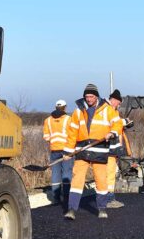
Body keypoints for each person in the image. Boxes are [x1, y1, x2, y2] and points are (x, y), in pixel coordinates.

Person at [63, 84, 122, 220]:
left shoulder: (107, 109)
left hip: (99, 151)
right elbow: (72, 132)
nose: (89, 99)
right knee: (77, 180)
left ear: (96, 96)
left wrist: (112, 133)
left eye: (91, 96)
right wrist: (67, 151)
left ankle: (102, 208)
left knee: (101, 180)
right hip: (82, 152)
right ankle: (71, 209)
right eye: (87, 96)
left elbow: (117, 123)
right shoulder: (78, 111)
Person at [43, 100, 73, 206]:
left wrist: (54, 140)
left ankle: (56, 198)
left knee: (55, 174)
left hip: (54, 150)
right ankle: (67, 197)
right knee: (67, 173)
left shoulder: (47, 120)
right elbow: (73, 135)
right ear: (65, 107)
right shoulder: (69, 119)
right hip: (67, 151)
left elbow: (46, 136)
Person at [106, 90, 132, 209]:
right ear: (115, 100)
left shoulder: (112, 110)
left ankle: (107, 197)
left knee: (109, 172)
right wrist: (124, 121)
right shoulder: (108, 109)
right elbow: (111, 125)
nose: (119, 105)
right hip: (108, 147)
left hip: (113, 148)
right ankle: (108, 199)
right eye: (119, 103)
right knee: (109, 173)